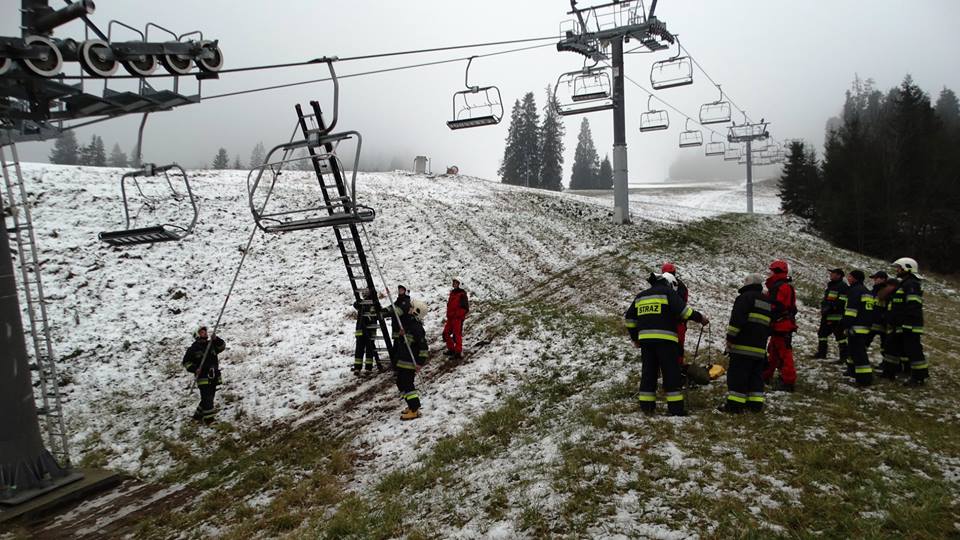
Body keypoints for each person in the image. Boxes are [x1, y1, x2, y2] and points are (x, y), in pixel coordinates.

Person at [624, 272, 709, 416]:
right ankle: (676, 410)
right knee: (671, 374)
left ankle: (647, 408)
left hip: (646, 342)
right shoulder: (668, 292)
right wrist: (700, 318)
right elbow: (684, 312)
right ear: (670, 284)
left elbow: (630, 318)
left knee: (649, 373)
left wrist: (635, 338)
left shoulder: (641, 296)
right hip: (666, 341)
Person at [721, 273, 772, 413]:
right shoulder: (766, 301)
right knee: (755, 377)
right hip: (759, 349)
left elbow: (737, 320)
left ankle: (734, 406)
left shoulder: (744, 298)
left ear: (748, 283)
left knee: (738, 376)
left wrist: (730, 339)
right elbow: (769, 325)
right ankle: (755, 405)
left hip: (742, 347)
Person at [889, 257, 926, 386]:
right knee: (905, 349)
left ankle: (919, 377)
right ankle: (899, 372)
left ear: (907, 268)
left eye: (899, 268)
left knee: (913, 351)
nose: (897, 270)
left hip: (910, 325)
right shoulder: (905, 283)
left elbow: (913, 305)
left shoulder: (911, 284)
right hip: (904, 323)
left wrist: (907, 323)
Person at [763, 260, 798, 391]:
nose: (769, 273)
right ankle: (766, 375)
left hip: (781, 325)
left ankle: (788, 381)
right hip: (779, 325)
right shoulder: (781, 286)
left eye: (771, 270)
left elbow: (776, 306)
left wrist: (763, 305)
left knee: (784, 354)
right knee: (773, 351)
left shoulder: (781, 287)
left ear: (777, 272)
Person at [182, 326, 226, 424]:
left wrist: (216, 339)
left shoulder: (211, 344)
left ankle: (197, 416)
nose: (205, 333)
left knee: (208, 397)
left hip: (214, 376)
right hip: (203, 377)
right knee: (207, 398)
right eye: (202, 332)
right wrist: (194, 369)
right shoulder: (193, 349)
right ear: (197, 335)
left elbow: (222, 347)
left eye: (205, 332)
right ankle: (209, 420)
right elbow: (186, 362)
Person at [395, 300, 430, 420]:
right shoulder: (409, 324)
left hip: (410, 363)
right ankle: (411, 406)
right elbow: (404, 343)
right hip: (403, 360)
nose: (409, 308)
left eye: (411, 307)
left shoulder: (417, 328)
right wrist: (401, 335)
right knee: (400, 383)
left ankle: (414, 409)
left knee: (407, 384)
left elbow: (424, 348)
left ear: (416, 311)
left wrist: (420, 362)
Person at [841, 270, 874, 386]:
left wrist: (845, 324)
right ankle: (853, 373)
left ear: (855, 278)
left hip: (856, 327)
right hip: (865, 326)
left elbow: (851, 311)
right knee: (854, 352)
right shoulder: (867, 291)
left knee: (859, 355)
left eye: (849, 276)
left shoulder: (855, 291)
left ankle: (864, 379)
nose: (848, 278)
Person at [815, 268, 849, 364]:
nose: (831, 275)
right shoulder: (831, 285)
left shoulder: (843, 286)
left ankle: (844, 357)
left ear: (839, 275)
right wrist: (823, 307)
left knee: (840, 337)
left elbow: (842, 301)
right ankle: (821, 353)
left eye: (833, 273)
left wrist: (831, 307)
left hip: (836, 316)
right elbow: (827, 299)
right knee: (822, 334)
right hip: (827, 315)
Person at [661, 262, 689, 366]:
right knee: (679, 347)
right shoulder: (681, 286)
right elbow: (684, 303)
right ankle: (678, 367)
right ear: (674, 272)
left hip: (663, 321)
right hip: (679, 321)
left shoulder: (659, 285)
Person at [877, 276, 904, 380]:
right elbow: (881, 296)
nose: (885, 288)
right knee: (888, 350)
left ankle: (891, 373)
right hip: (891, 326)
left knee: (892, 351)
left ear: (893, 286)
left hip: (896, 327)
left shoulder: (897, 296)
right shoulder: (891, 296)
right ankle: (888, 371)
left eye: (887, 286)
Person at [352, 288, 379, 375]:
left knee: (369, 349)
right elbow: (355, 304)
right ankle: (357, 367)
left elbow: (375, 313)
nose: (364, 295)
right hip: (361, 330)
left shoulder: (374, 303)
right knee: (359, 349)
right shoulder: (362, 303)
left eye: (365, 293)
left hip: (370, 330)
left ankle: (368, 368)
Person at [443, 277, 469, 359]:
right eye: (454, 282)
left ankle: (458, 352)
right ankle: (451, 349)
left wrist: (457, 315)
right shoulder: (452, 293)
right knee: (446, 333)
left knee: (457, 335)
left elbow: (465, 308)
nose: (454, 284)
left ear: (460, 284)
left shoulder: (462, 295)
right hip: (450, 318)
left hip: (457, 318)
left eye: (456, 283)